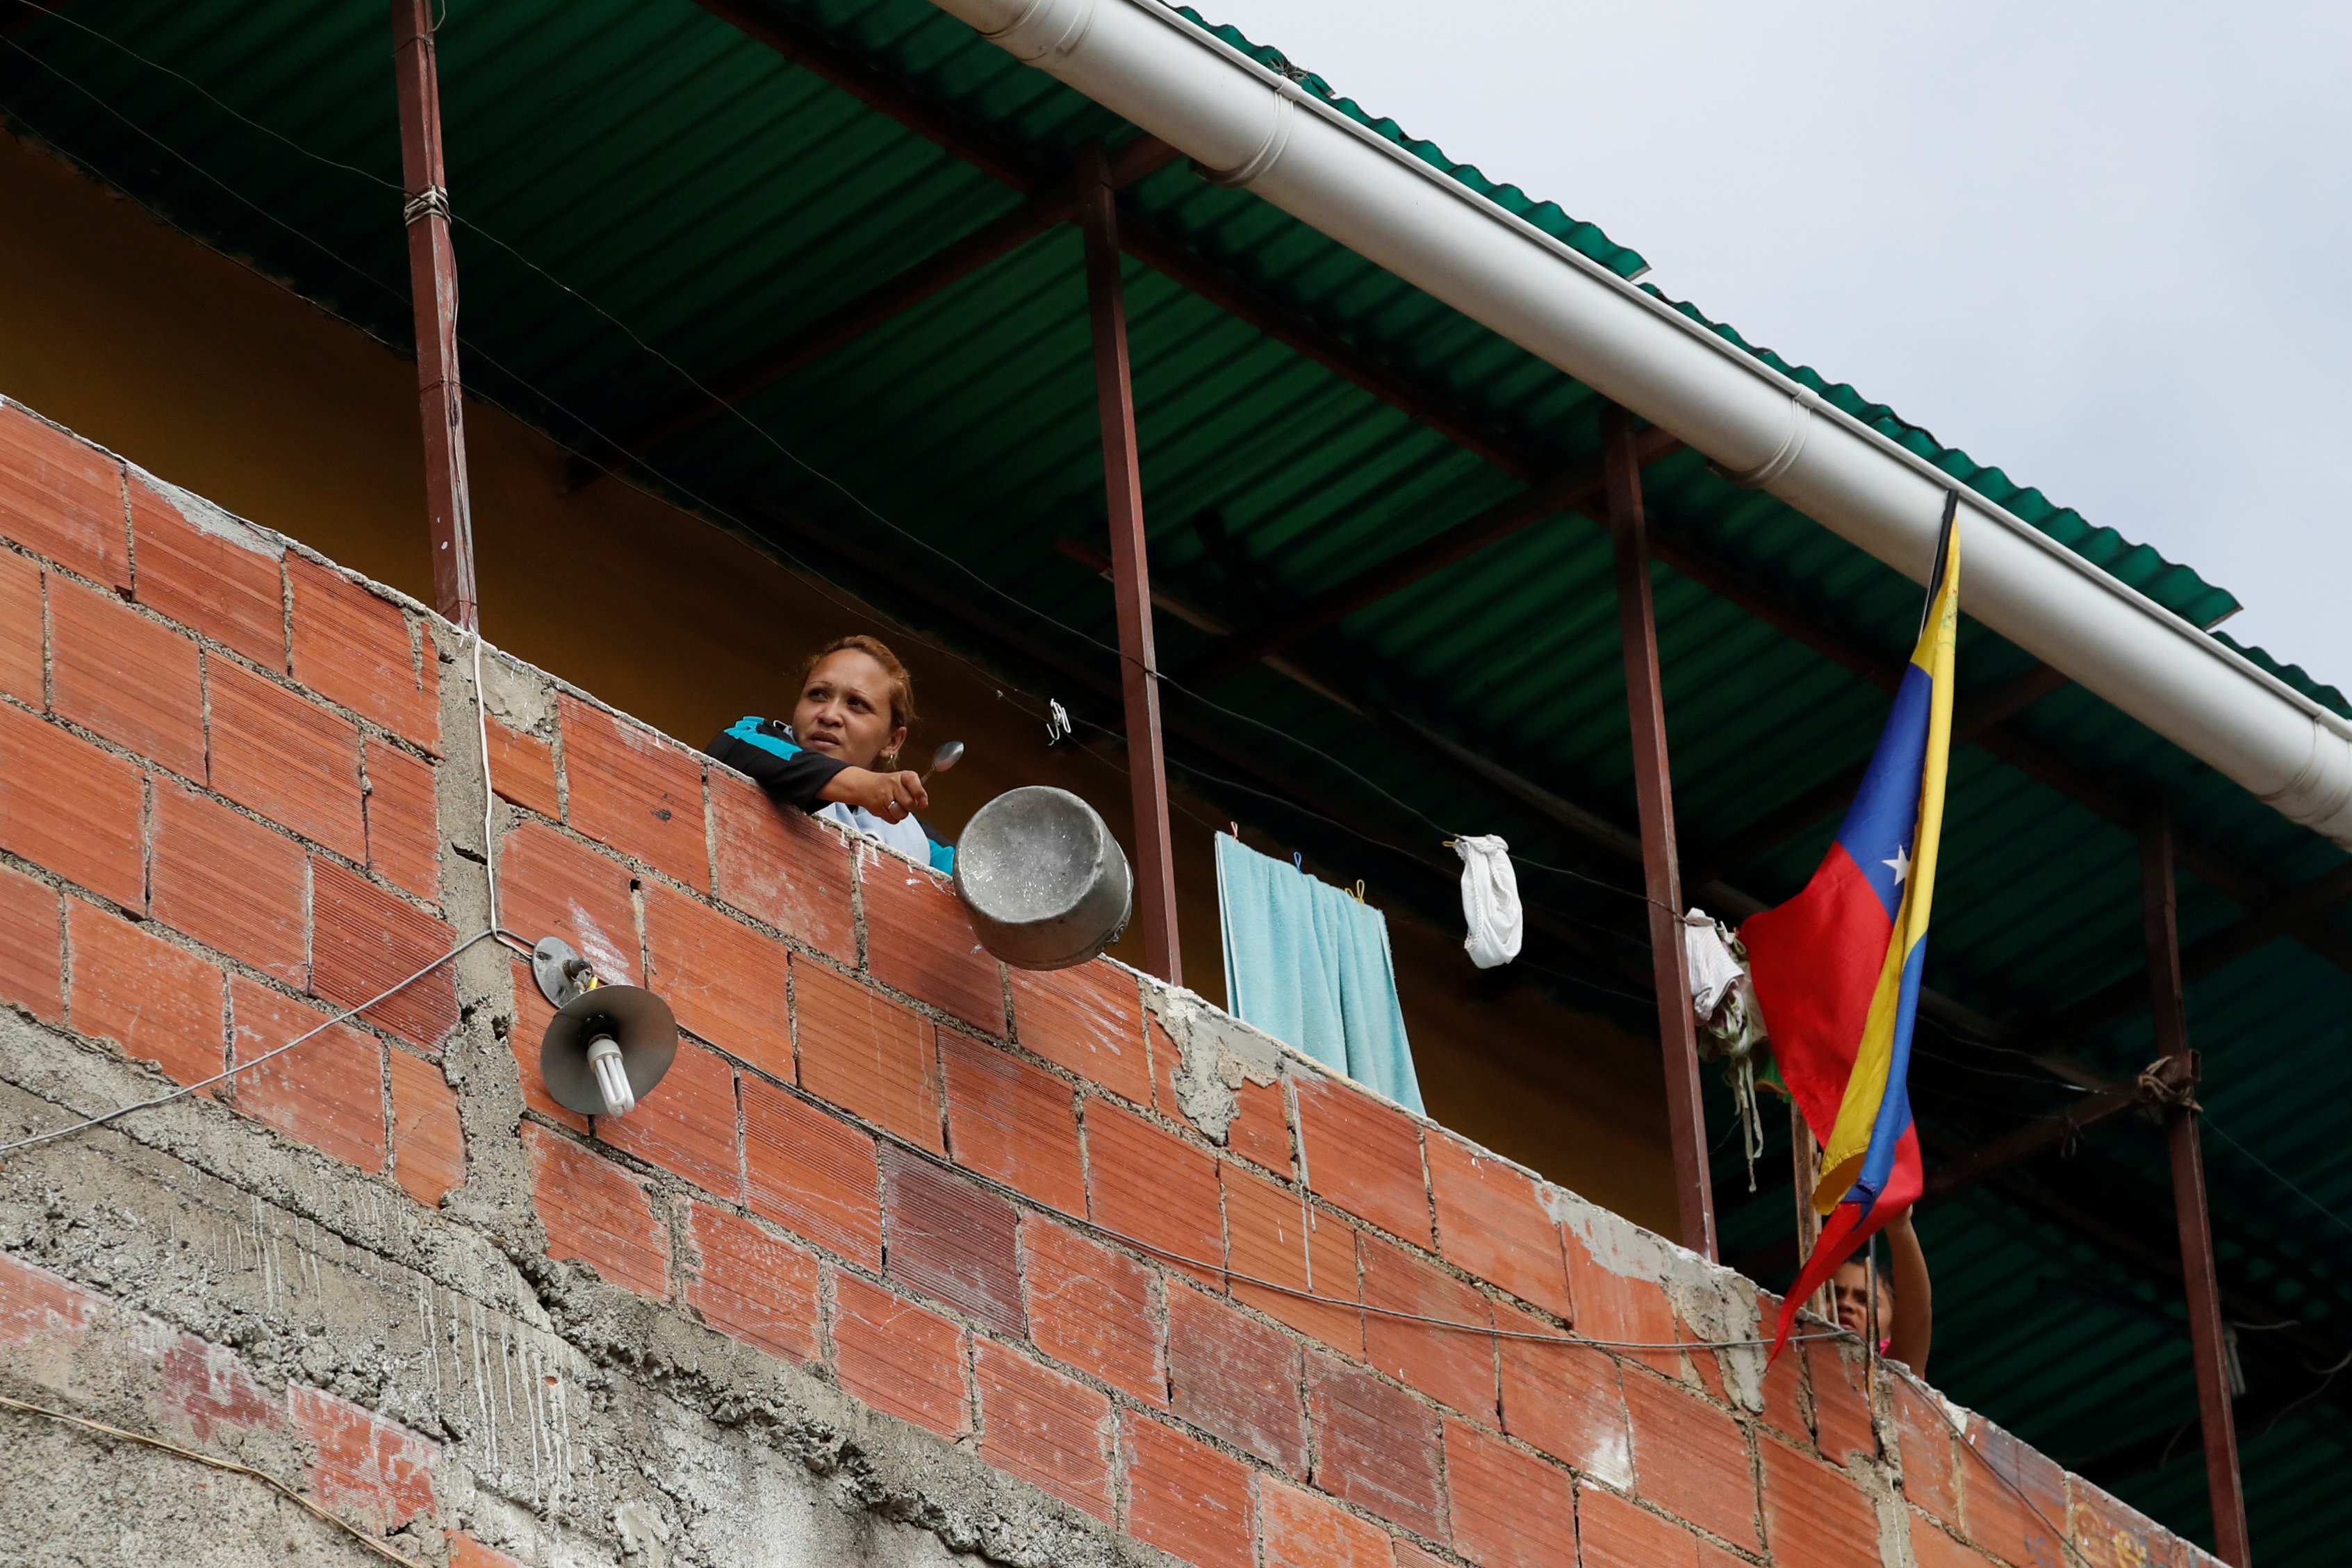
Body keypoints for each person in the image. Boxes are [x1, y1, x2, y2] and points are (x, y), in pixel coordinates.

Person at [707, 634, 955, 874]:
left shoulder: (911, 835)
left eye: (857, 704)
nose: (829, 715)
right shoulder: (751, 738)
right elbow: (736, 749)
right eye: (818, 695)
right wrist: (868, 787)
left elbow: (973, 872)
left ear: (893, 741)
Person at [1828, 1209, 1932, 1373]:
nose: (1845, 1303)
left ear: (1893, 1327)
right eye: (1833, 1296)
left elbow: (1915, 1310)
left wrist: (1900, 1226)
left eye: (1865, 1300)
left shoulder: (1891, 1370)